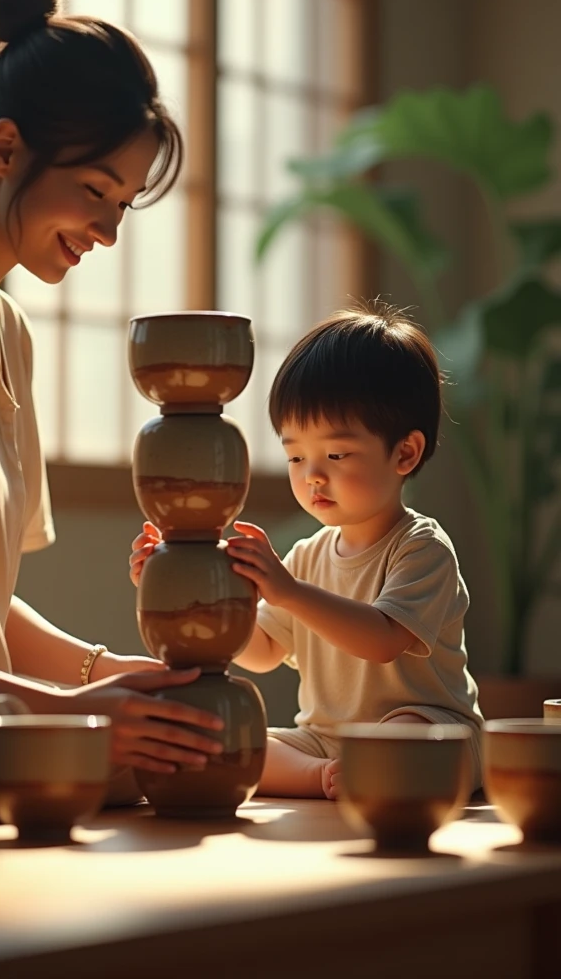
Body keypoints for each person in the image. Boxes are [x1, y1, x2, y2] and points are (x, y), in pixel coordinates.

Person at [0, 0, 225, 828]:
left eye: (125, 205)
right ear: (5, 150)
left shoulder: (6, 330)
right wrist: (61, 712)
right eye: (96, 192)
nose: (108, 231)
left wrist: (100, 678)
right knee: (70, 741)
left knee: (161, 731)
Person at [130, 304, 484, 799]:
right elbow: (259, 652)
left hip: (427, 728)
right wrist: (177, 587)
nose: (312, 474)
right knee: (236, 741)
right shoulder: (306, 556)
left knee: (405, 734)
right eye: (296, 456)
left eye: (336, 455)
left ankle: (357, 770)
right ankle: (321, 779)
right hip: (324, 740)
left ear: (404, 453)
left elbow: (381, 640)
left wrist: (289, 592)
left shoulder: (421, 548)